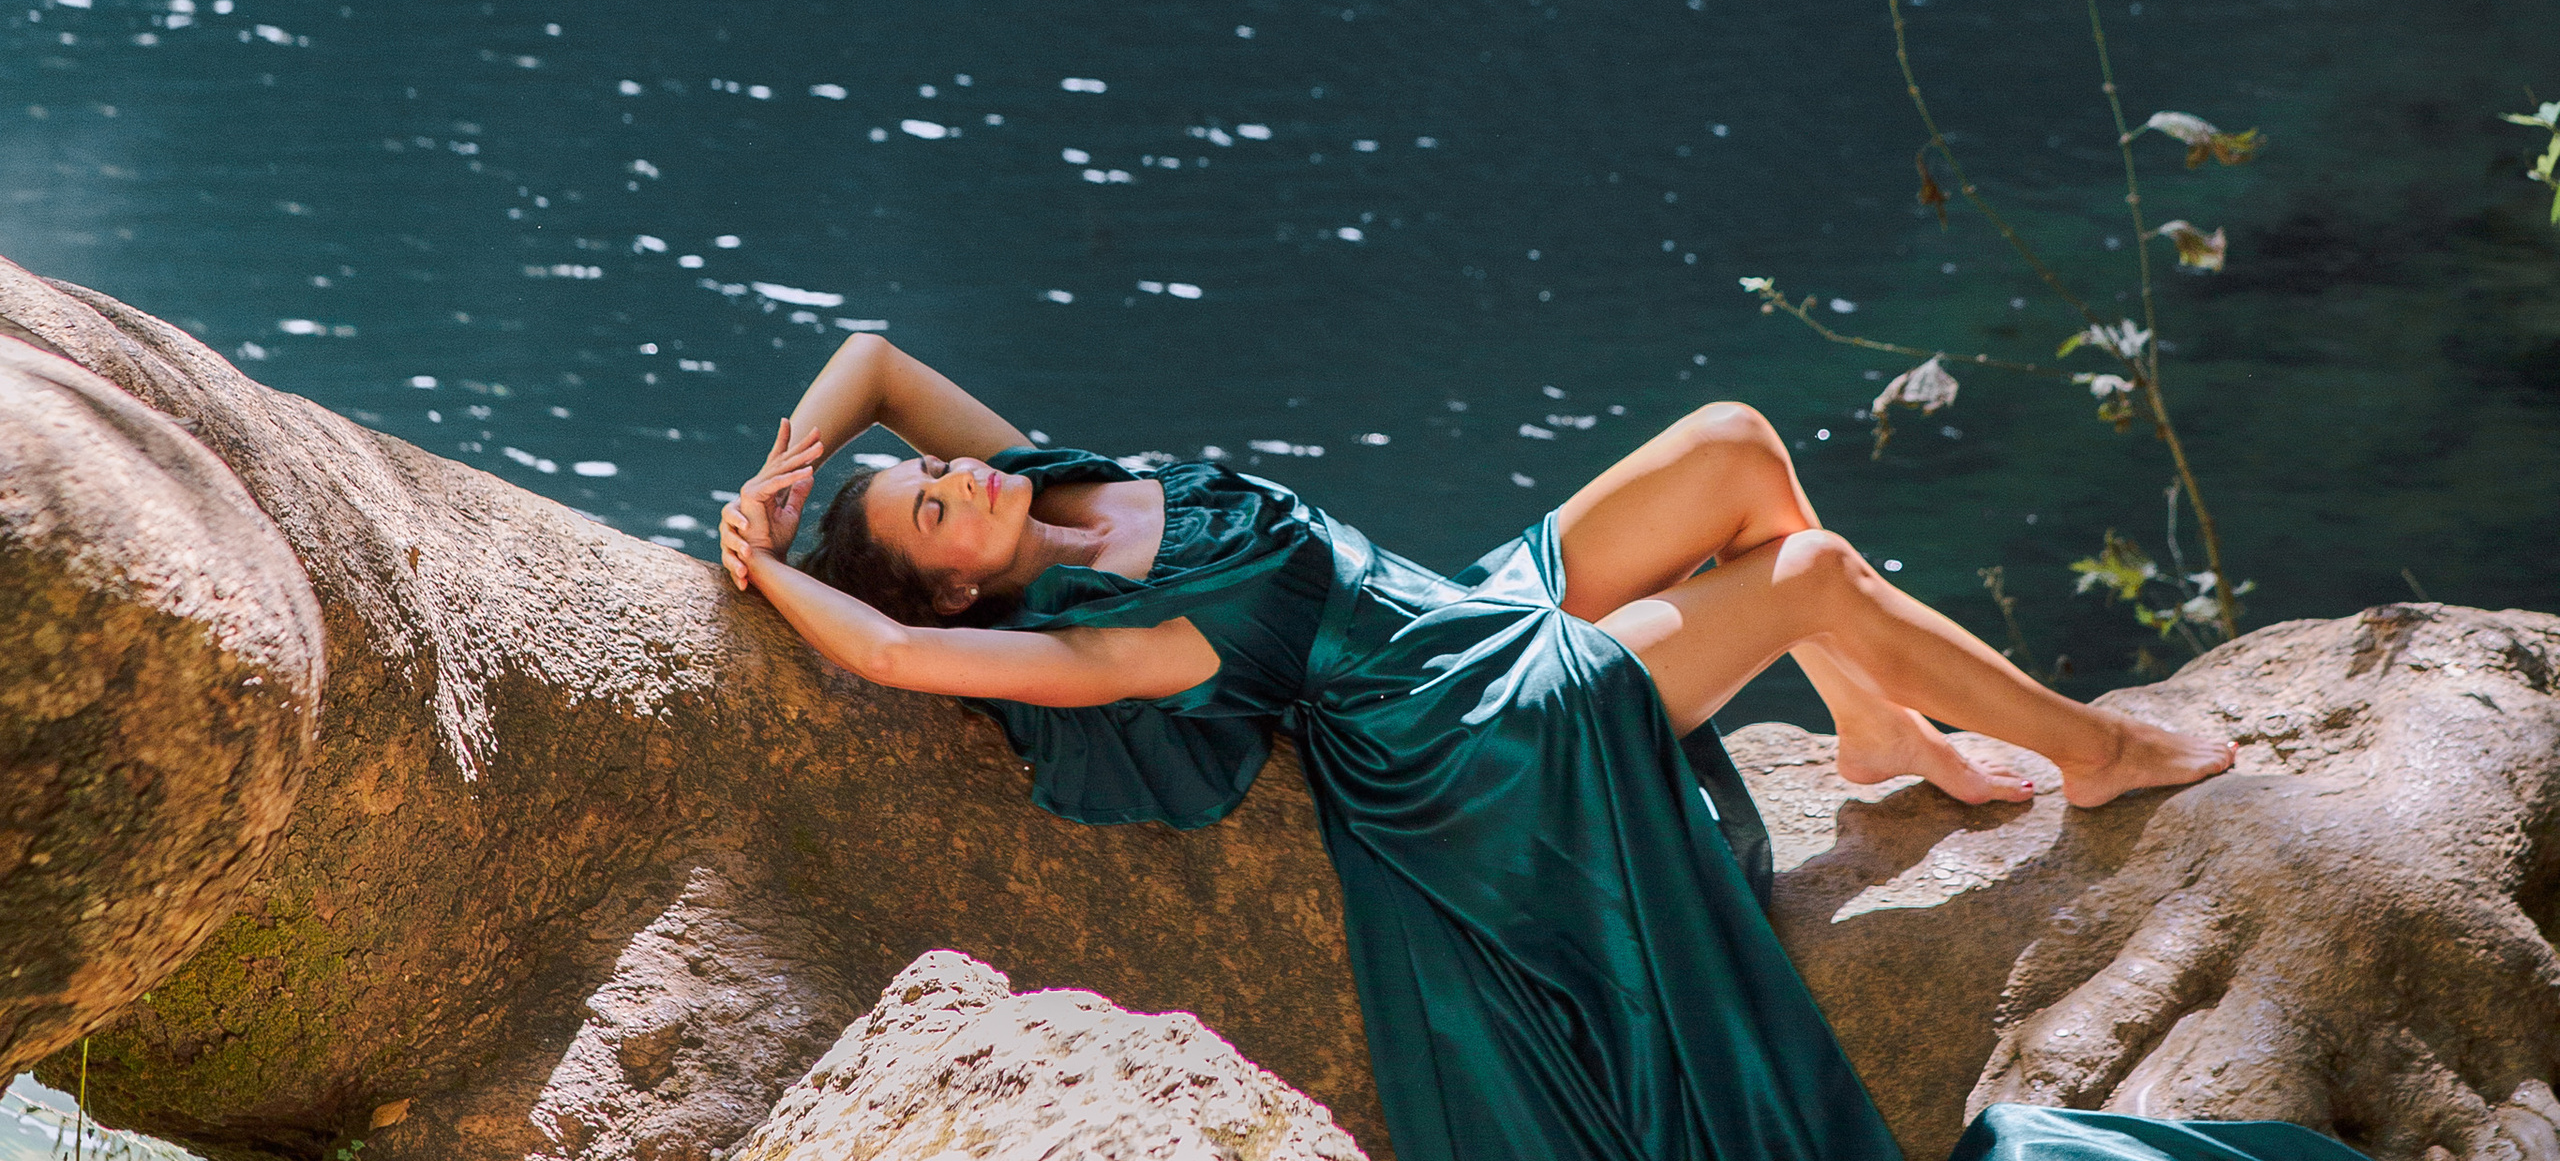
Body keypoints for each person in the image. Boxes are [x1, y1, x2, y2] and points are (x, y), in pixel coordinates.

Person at [719, 333, 2299, 1161]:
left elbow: (867, 354)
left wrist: (784, 473)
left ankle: (1876, 726)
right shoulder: (1109, 639)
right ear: (953, 574)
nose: (962, 481)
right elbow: (893, 650)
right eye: (937, 508)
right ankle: (2092, 749)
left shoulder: (1044, 478)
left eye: (936, 471)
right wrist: (775, 574)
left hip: (1449, 611)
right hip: (1481, 744)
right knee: (1806, 574)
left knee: (1738, 444)